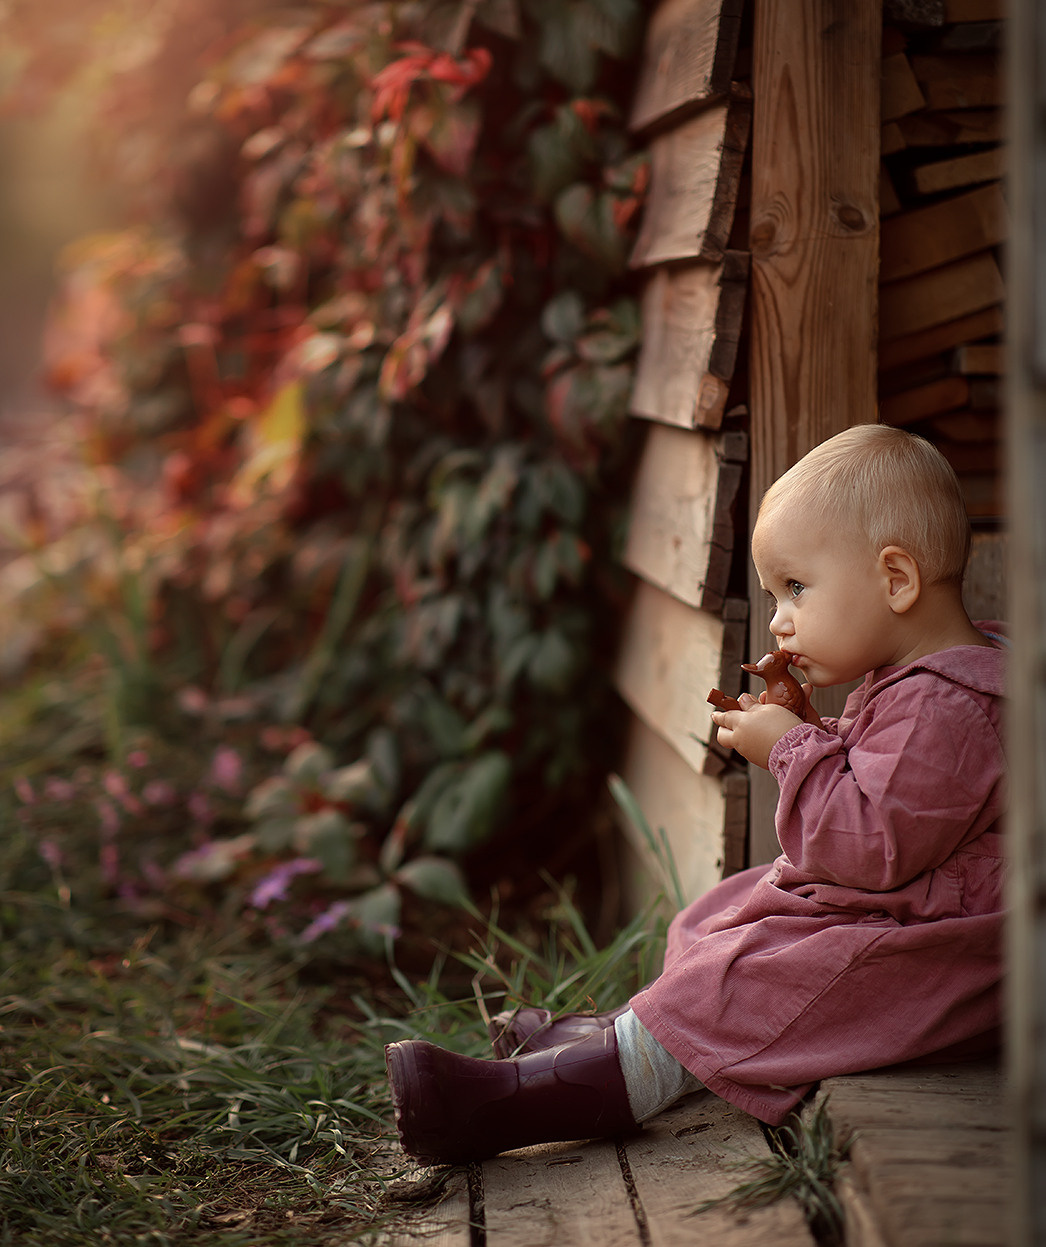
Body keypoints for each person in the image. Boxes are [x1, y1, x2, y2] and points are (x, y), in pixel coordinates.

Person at [385, 424, 1006, 1165]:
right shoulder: (929, 681)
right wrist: (812, 730)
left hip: (933, 956)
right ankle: (609, 1038)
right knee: (722, 912)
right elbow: (898, 792)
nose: (779, 619)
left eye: (796, 588)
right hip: (906, 911)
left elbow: (870, 846)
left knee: (753, 978)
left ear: (896, 579)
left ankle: (518, 1102)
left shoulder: (948, 704)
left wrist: (789, 746)